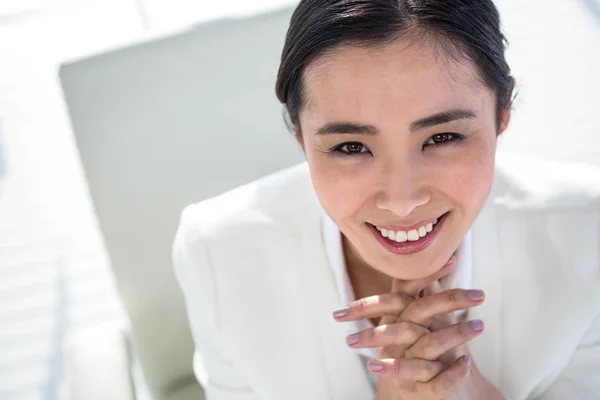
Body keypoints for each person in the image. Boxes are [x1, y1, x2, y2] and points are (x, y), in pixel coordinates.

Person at [172, 1, 600, 399]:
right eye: (351, 147)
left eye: (442, 137)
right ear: (300, 137)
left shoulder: (588, 231)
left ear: (501, 114)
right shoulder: (216, 252)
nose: (401, 201)